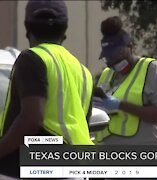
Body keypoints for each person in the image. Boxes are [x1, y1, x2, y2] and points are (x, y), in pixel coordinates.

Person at [0, 0, 94, 177]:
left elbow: (31, 119)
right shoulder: (83, 72)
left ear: (27, 30)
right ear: (64, 32)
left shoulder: (32, 58)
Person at [93, 16, 157, 145]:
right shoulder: (107, 75)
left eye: (116, 54)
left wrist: (120, 105)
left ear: (130, 47)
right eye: (108, 57)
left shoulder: (152, 69)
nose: (113, 61)